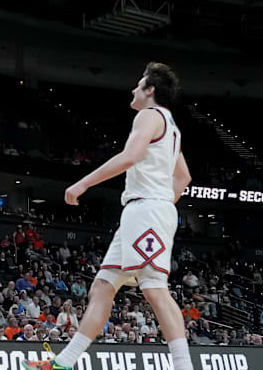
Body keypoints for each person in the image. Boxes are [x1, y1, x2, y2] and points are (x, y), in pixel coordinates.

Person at [23, 63, 193, 370]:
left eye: (138, 84)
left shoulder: (149, 116)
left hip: (146, 210)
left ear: (150, 90)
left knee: (154, 289)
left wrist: (83, 182)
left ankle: (184, 367)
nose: (133, 90)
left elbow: (130, 157)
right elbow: (183, 178)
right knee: (102, 286)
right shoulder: (172, 128)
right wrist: (164, 204)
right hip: (146, 210)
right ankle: (64, 362)